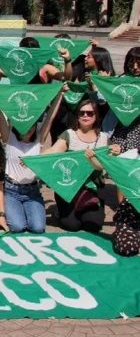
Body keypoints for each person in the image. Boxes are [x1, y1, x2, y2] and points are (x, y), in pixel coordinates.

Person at [0, 85, 62, 234]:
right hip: (12, 190)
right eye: (25, 126)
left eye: (32, 126)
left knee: (38, 227)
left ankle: (28, 210)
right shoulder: (9, 138)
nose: (29, 130)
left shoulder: (38, 140)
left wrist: (60, 93)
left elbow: (51, 117)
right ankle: (16, 211)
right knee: (17, 227)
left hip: (32, 191)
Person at [43, 98, 120, 232]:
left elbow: (105, 167)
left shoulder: (103, 139)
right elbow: (52, 152)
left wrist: (115, 152)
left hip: (93, 189)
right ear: (77, 116)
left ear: (96, 116)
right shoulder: (69, 135)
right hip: (70, 187)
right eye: (82, 113)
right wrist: (30, 158)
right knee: (71, 226)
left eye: (90, 113)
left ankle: (86, 210)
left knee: (93, 225)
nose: (85, 116)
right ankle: (61, 211)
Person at [111, 47, 140, 256]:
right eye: (132, 63)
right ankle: (123, 212)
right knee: (123, 171)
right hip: (124, 130)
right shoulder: (121, 81)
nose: (135, 67)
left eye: (139, 63)